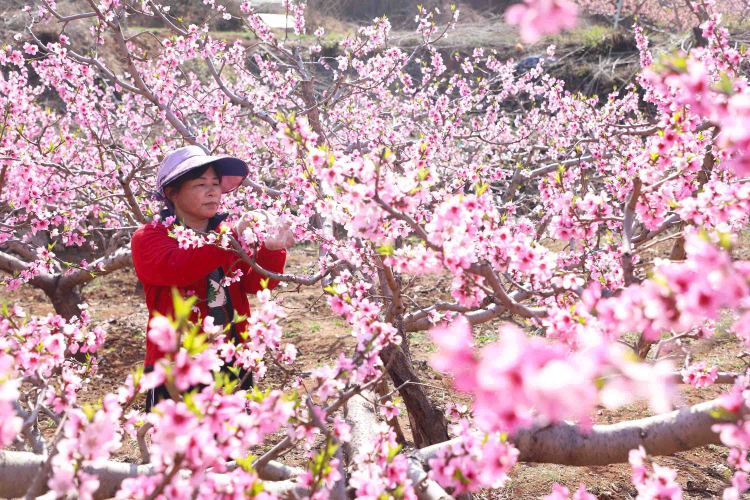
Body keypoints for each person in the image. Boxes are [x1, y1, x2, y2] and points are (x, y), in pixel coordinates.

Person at [131, 145, 293, 411]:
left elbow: (254, 284)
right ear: (172, 192)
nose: (212, 191)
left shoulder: (226, 233)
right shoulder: (150, 237)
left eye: (216, 184)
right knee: (179, 449)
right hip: (177, 360)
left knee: (233, 444)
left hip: (231, 353)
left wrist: (270, 251)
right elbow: (180, 267)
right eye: (200, 184)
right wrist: (230, 241)